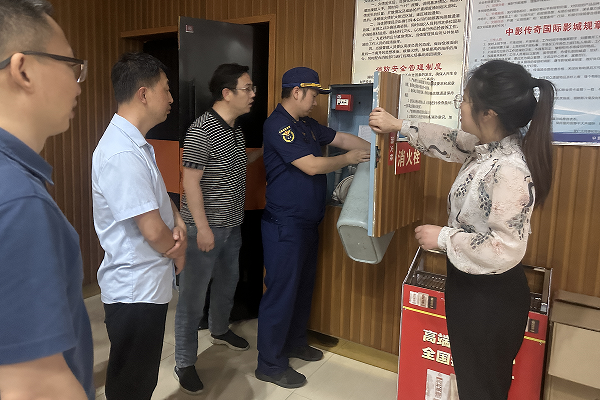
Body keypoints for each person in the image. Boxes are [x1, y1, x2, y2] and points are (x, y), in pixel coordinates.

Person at [369, 60, 555, 400]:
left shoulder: (509, 169)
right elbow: (450, 139)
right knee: (475, 382)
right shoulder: (486, 150)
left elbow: (504, 247)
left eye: (465, 100)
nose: (461, 106)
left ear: (489, 114)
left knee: (482, 387)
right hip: (470, 288)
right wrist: (399, 126)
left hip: (489, 299)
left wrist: (442, 237)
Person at [0, 0, 94, 399]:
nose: (78, 83)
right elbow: (33, 386)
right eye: (71, 65)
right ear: (23, 70)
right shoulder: (18, 200)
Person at [255, 67, 370, 388]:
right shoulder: (278, 125)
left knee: (302, 288)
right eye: (313, 94)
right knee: (281, 293)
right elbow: (311, 165)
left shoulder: (305, 124)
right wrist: (349, 159)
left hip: (307, 223)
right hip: (285, 225)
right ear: (296, 92)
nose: (317, 101)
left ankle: (294, 343)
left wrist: (376, 150)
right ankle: (270, 364)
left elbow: (341, 138)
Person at [92, 52, 187, 400]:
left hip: (147, 284)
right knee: (132, 385)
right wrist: (178, 250)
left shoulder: (135, 143)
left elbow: (157, 199)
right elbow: (152, 230)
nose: (171, 98)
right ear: (144, 94)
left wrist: (178, 220)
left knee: (140, 379)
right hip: (135, 290)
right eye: (166, 89)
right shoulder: (122, 153)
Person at [174, 63, 262, 395]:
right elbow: (190, 183)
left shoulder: (235, 130)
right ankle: (184, 362)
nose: (253, 94)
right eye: (247, 88)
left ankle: (220, 330)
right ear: (227, 93)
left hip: (232, 225)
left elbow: (234, 165)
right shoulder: (202, 130)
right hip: (204, 229)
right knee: (192, 298)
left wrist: (265, 153)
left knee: (228, 282)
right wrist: (202, 228)